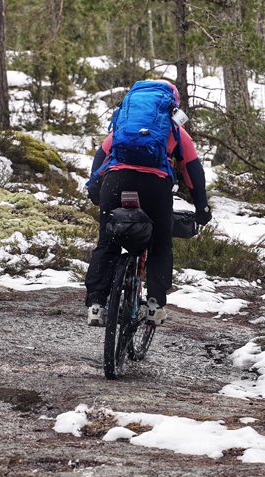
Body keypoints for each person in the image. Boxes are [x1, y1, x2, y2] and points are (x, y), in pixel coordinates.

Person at [84, 80, 211, 326]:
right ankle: (155, 304)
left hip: (116, 182)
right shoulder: (175, 130)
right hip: (154, 186)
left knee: (107, 241)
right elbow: (193, 172)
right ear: (171, 105)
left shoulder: (121, 128)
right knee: (160, 243)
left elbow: (101, 156)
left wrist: (94, 189)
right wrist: (201, 208)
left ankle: (96, 304)